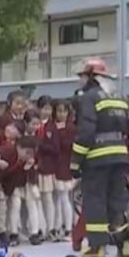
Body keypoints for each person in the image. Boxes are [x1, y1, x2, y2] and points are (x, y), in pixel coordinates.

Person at [70, 57, 129, 257]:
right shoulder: (118, 97)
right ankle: (125, 246)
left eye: (82, 75)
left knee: (95, 201)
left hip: (96, 159)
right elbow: (128, 127)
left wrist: (76, 160)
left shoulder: (89, 97)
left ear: (91, 76)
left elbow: (86, 131)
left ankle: (98, 247)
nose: (80, 80)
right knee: (117, 201)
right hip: (120, 157)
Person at [1, 134, 39, 246]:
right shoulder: (13, 155)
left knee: (32, 206)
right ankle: (13, 232)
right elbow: (8, 172)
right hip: (16, 184)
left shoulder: (33, 158)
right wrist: (20, 165)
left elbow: (36, 168)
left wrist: (31, 166)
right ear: (19, 148)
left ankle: (34, 232)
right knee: (15, 206)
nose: (28, 155)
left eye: (31, 153)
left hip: (29, 184)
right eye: (26, 152)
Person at [35, 96, 59, 240]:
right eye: (44, 108)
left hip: (48, 167)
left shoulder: (52, 127)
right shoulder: (34, 124)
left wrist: (41, 145)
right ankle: (39, 228)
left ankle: (51, 228)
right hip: (35, 167)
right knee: (35, 199)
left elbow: (55, 149)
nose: (47, 112)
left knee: (48, 198)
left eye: (49, 109)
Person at [53, 100, 75, 238]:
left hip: (65, 163)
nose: (62, 114)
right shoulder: (51, 126)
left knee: (64, 196)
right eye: (59, 111)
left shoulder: (71, 128)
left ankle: (67, 227)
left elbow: (70, 145)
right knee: (54, 197)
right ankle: (56, 227)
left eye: (64, 111)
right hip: (53, 164)